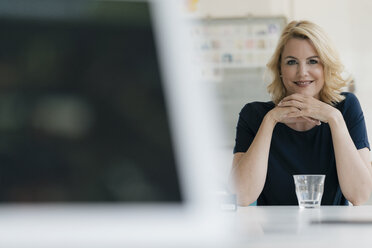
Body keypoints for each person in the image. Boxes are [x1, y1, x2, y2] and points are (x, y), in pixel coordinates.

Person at [230, 20, 372, 206]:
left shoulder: (345, 108)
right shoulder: (254, 115)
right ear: (280, 69)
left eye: (313, 61)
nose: (302, 72)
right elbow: (241, 196)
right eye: (291, 62)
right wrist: (270, 120)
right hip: (273, 233)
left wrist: (334, 118)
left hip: (332, 233)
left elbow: (360, 196)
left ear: (325, 67)